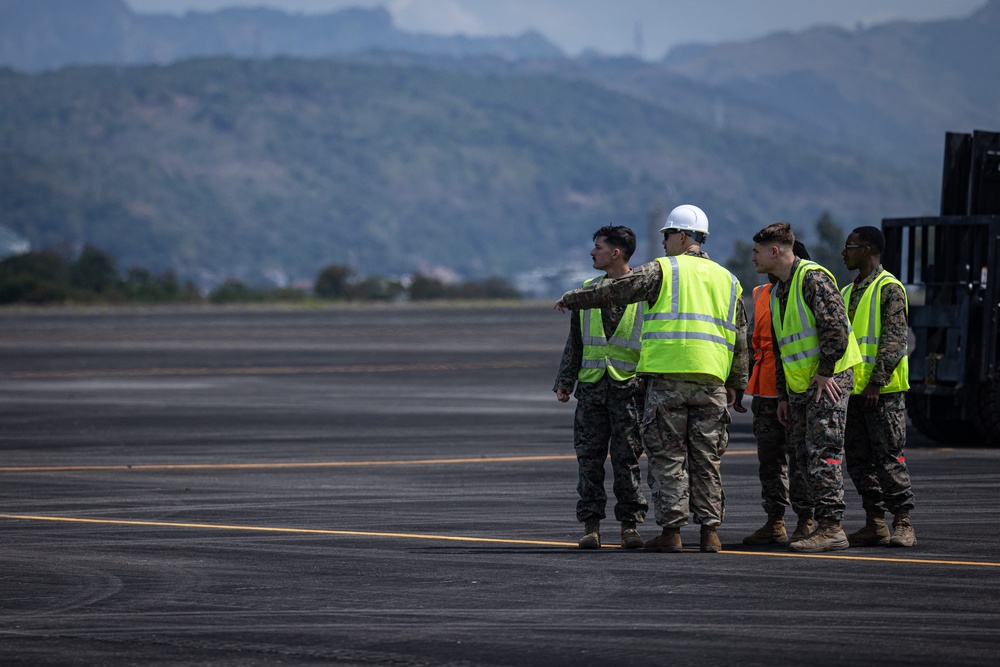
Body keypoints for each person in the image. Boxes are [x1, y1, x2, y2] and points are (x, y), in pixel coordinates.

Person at [556, 205, 748, 554]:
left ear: (683, 236)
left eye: (667, 235)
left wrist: (573, 298)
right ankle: (710, 533)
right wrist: (738, 383)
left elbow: (617, 290)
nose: (662, 242)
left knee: (669, 458)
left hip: (669, 379)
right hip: (712, 382)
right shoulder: (728, 279)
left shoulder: (665, 270)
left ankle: (672, 533)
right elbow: (740, 336)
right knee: (707, 460)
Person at [750, 222, 862, 553]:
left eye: (757, 252)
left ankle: (832, 528)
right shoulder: (778, 292)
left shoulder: (813, 278)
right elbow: (785, 348)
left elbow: (837, 330)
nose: (753, 258)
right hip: (801, 387)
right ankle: (811, 522)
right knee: (802, 455)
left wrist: (827, 373)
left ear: (775, 251)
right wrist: (784, 397)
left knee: (823, 453)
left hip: (827, 382)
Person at [553, 225, 648, 549]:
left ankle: (630, 527)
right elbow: (575, 342)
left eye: (598, 247)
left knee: (628, 461)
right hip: (592, 391)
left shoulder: (644, 293)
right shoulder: (587, 290)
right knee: (589, 460)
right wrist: (565, 381)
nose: (592, 252)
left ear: (616, 252)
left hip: (628, 391)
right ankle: (591, 526)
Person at [840, 225, 916, 547]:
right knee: (858, 460)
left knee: (888, 458)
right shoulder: (846, 292)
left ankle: (903, 522)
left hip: (881, 393)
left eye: (850, 246)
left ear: (868, 250)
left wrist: (876, 382)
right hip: (854, 391)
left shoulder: (889, 288)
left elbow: (895, 341)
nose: (844, 252)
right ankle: (875, 522)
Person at [741, 240, 815, 546]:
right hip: (765, 391)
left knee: (802, 460)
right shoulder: (760, 294)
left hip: (798, 389)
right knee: (770, 460)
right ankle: (775, 521)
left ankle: (806, 520)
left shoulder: (803, 290)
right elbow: (751, 342)